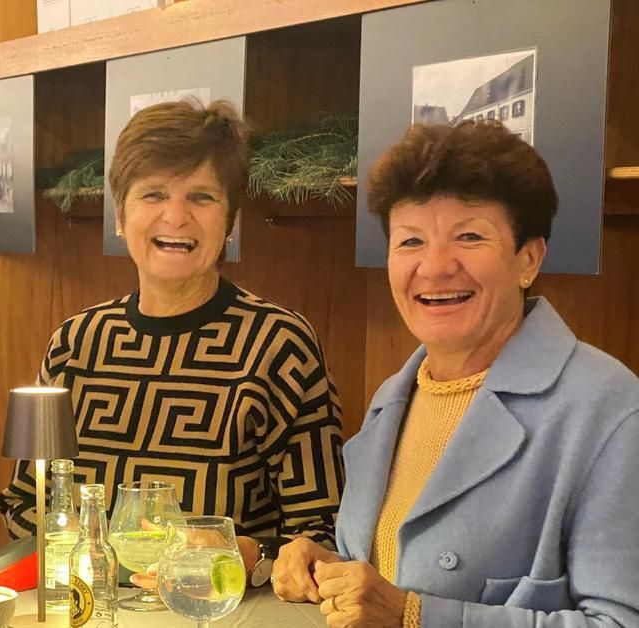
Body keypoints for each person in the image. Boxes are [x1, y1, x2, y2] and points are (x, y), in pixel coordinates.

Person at [271, 120, 639, 627]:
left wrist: (416, 617)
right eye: (410, 241)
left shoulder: (610, 409)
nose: (436, 266)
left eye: (469, 236)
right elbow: (395, 574)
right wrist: (331, 572)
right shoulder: (391, 400)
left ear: (528, 258)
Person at [0, 99, 345, 580]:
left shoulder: (279, 344)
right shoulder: (76, 343)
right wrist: (94, 557)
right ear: (120, 215)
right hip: (88, 607)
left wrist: (243, 555)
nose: (176, 217)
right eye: (153, 194)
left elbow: (322, 532)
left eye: (202, 197)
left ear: (230, 221)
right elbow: (22, 501)